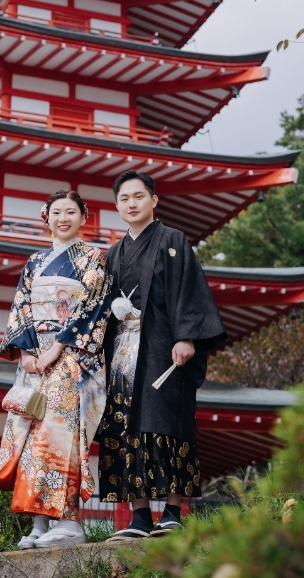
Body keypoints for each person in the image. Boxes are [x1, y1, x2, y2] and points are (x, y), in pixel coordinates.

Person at [99, 170, 227, 540]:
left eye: (139, 196)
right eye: (124, 198)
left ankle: (172, 511)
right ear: (117, 205)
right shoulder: (112, 254)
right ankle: (139, 516)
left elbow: (189, 291)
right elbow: (96, 306)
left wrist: (187, 336)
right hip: (123, 351)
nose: (132, 204)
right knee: (125, 429)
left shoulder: (173, 240)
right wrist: (112, 308)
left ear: (154, 200)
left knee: (167, 423)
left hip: (163, 349)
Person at [0, 190, 112, 548]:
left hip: (71, 359)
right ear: (46, 217)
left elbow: (93, 307)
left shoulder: (94, 258)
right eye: (57, 212)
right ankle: (39, 526)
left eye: (71, 212)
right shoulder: (34, 261)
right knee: (30, 437)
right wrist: (25, 352)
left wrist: (59, 346)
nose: (63, 218)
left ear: (83, 217)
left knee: (59, 438)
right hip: (35, 360)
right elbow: (22, 309)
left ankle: (70, 522)